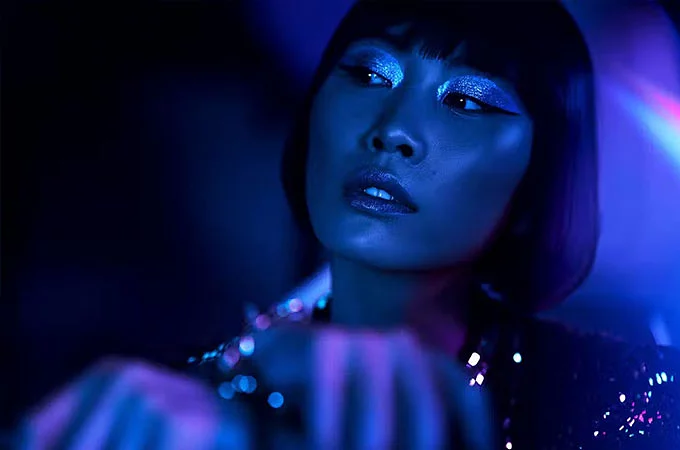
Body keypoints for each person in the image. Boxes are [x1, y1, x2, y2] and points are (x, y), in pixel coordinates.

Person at [20, 1, 680, 449]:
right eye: (367, 73)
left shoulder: (631, 398)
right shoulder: (178, 408)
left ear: (544, 176)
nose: (392, 131)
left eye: (466, 100)